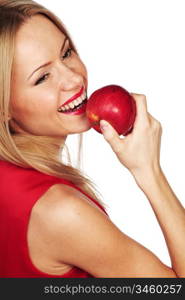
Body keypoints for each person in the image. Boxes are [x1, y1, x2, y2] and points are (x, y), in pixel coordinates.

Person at [0, 0, 184, 278]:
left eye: (66, 53)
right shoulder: (60, 211)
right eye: (42, 77)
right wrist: (150, 172)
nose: (74, 79)